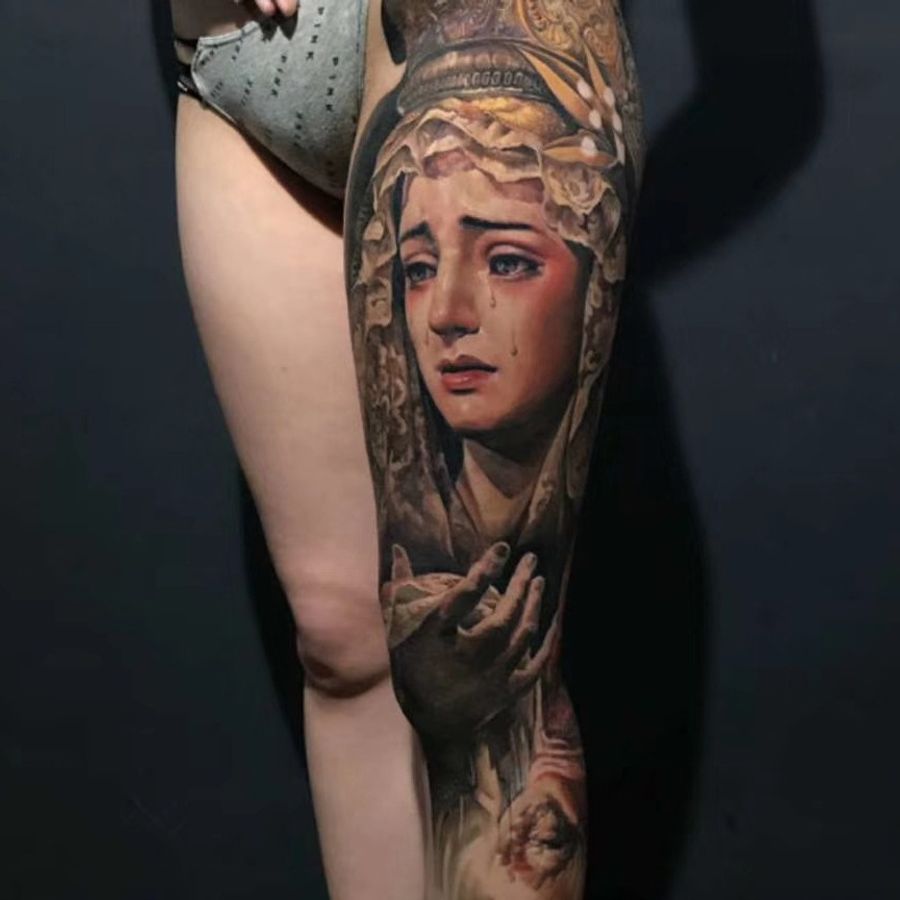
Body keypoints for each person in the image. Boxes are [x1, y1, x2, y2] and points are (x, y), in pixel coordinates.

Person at [170, 0, 642, 896]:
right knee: (342, 643)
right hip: (239, 51)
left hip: (480, 35)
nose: (452, 310)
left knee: (494, 699)